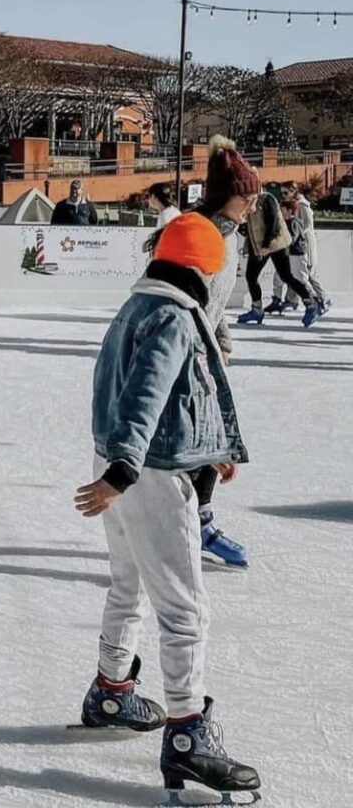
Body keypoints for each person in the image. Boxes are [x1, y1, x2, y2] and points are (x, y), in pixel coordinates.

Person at [75, 212, 260, 804]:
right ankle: (186, 736)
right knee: (185, 611)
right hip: (145, 475)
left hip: (119, 466)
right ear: (201, 269)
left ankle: (110, 691)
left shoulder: (135, 306)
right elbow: (146, 395)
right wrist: (126, 470)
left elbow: (179, 395)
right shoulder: (175, 317)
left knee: (126, 588)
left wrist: (212, 451)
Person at [191, 135, 260, 569]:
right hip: (184, 354)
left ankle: (196, 520)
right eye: (246, 197)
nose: (252, 205)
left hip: (206, 353)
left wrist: (224, 340)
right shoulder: (200, 235)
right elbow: (185, 300)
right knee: (200, 442)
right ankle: (192, 522)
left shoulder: (230, 236)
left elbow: (216, 303)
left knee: (210, 441)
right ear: (227, 196)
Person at [238, 189, 320, 328]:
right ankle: (257, 309)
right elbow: (249, 224)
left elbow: (273, 222)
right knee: (251, 276)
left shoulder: (267, 199)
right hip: (259, 244)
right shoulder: (246, 200)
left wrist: (266, 244)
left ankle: (311, 304)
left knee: (286, 275)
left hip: (276, 244)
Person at [280, 182, 329, 312]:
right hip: (297, 244)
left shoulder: (303, 206)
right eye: (282, 193)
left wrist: (296, 231)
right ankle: (292, 299)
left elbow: (308, 225)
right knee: (293, 273)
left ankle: (322, 298)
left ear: (293, 191)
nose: (283, 195)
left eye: (286, 192)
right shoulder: (290, 206)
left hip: (304, 244)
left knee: (307, 275)